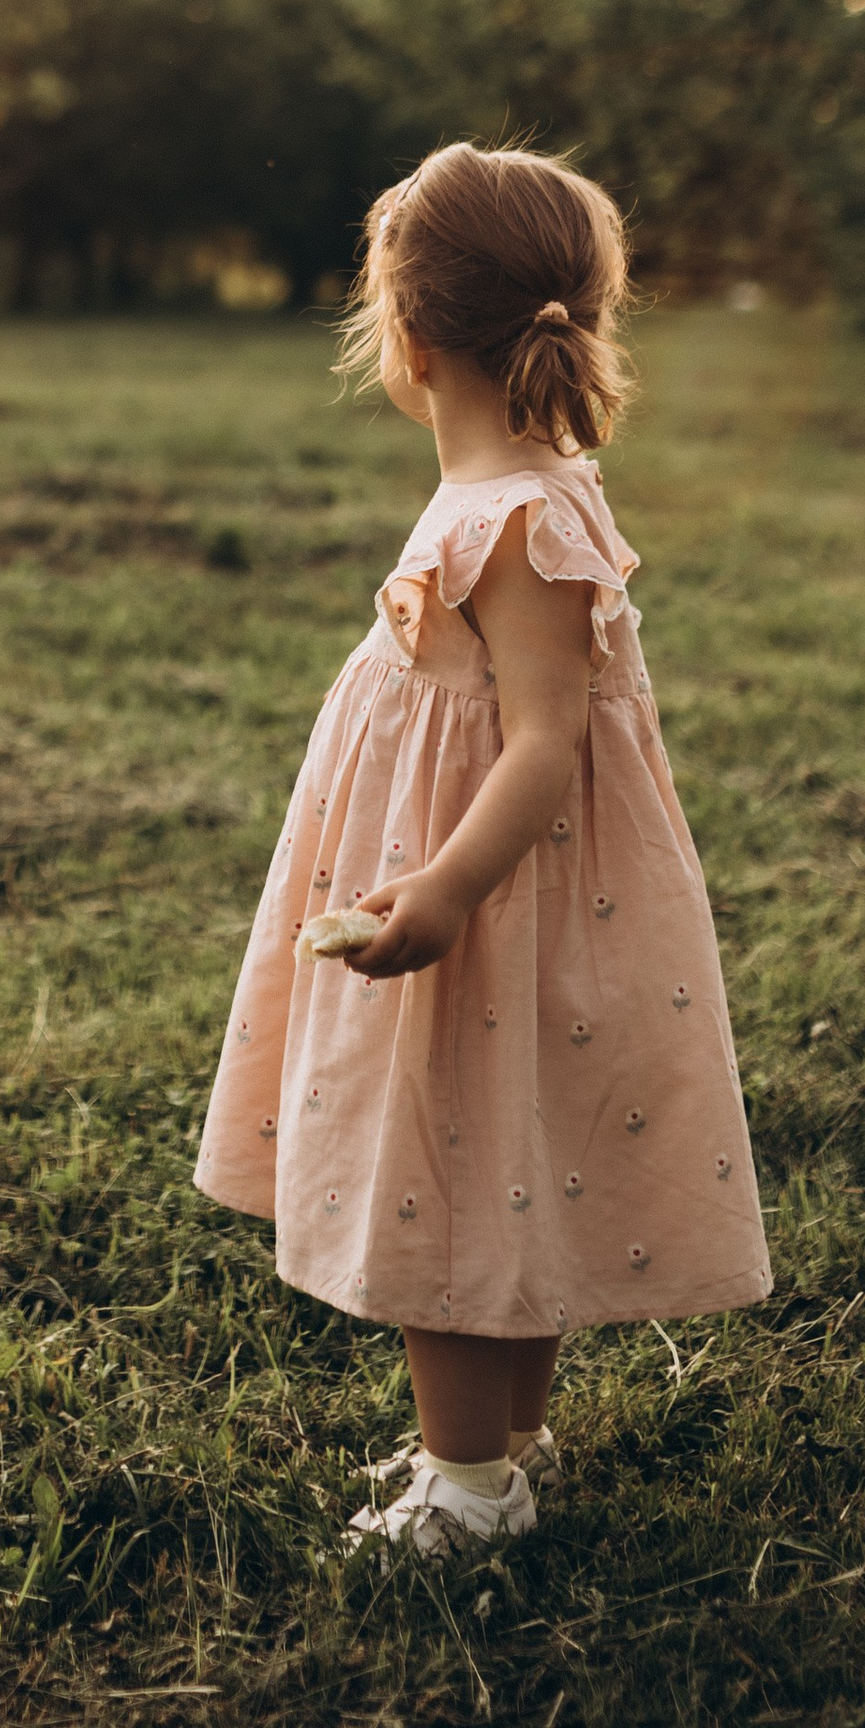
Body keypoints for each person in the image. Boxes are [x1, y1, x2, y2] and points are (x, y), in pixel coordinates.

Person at [195, 140, 770, 1555]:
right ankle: (502, 1454)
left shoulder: (516, 515)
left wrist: (445, 887)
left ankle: (468, 1492)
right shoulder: (528, 488)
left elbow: (543, 745)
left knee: (444, 1174)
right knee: (510, 1169)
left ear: (402, 334)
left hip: (487, 890)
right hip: (510, 886)